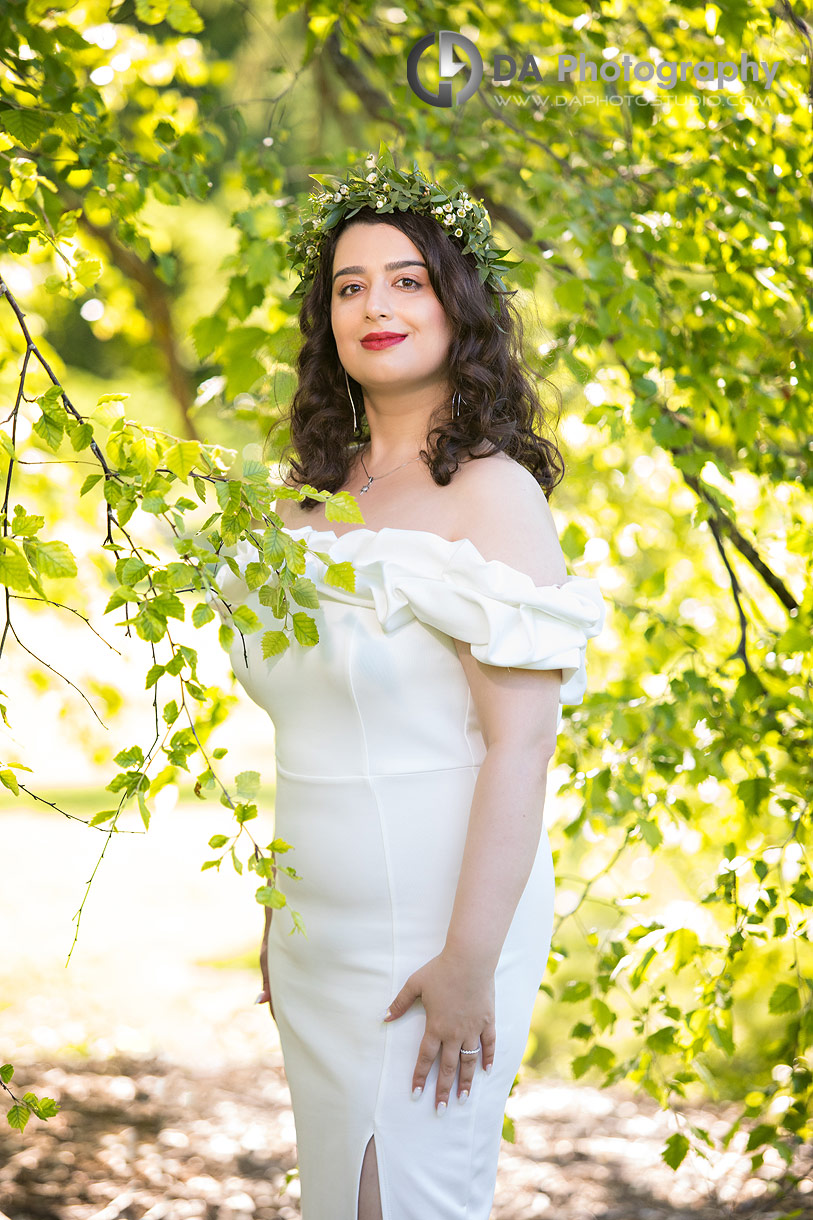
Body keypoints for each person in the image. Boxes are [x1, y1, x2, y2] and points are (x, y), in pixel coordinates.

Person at [206, 148, 606, 1220]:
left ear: (456, 307)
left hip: (440, 930)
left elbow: (522, 745)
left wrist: (470, 960)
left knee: (410, 1202)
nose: (373, 304)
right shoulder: (302, 507)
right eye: (349, 284)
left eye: (405, 279)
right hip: (316, 939)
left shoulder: (491, 493)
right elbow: (318, 736)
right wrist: (282, 920)